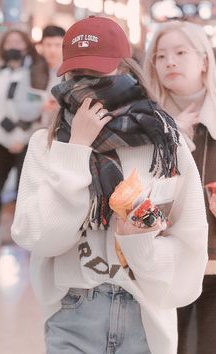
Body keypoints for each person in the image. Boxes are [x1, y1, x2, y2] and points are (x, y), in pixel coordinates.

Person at [11, 17, 208, 354]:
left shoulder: (165, 145)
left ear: (127, 70)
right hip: (74, 312)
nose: (87, 85)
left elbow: (189, 242)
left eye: (100, 74)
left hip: (144, 316)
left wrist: (141, 243)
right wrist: (75, 151)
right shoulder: (46, 145)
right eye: (78, 75)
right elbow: (38, 237)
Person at [143, 20, 216, 354]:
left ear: (204, 60)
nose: (169, 61)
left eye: (180, 52)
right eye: (160, 56)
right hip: (165, 265)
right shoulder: (143, 121)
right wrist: (171, 134)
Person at [0, 29, 46, 248]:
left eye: (18, 41)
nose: (13, 46)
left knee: (24, 189)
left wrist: (21, 136)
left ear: (26, 45)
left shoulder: (35, 71)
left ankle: (24, 234)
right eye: (9, 42)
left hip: (26, 140)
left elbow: (38, 106)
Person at [37, 25, 65, 127]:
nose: (52, 50)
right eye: (48, 45)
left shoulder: (71, 74)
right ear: (42, 47)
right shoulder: (34, 72)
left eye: (57, 45)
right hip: (36, 131)